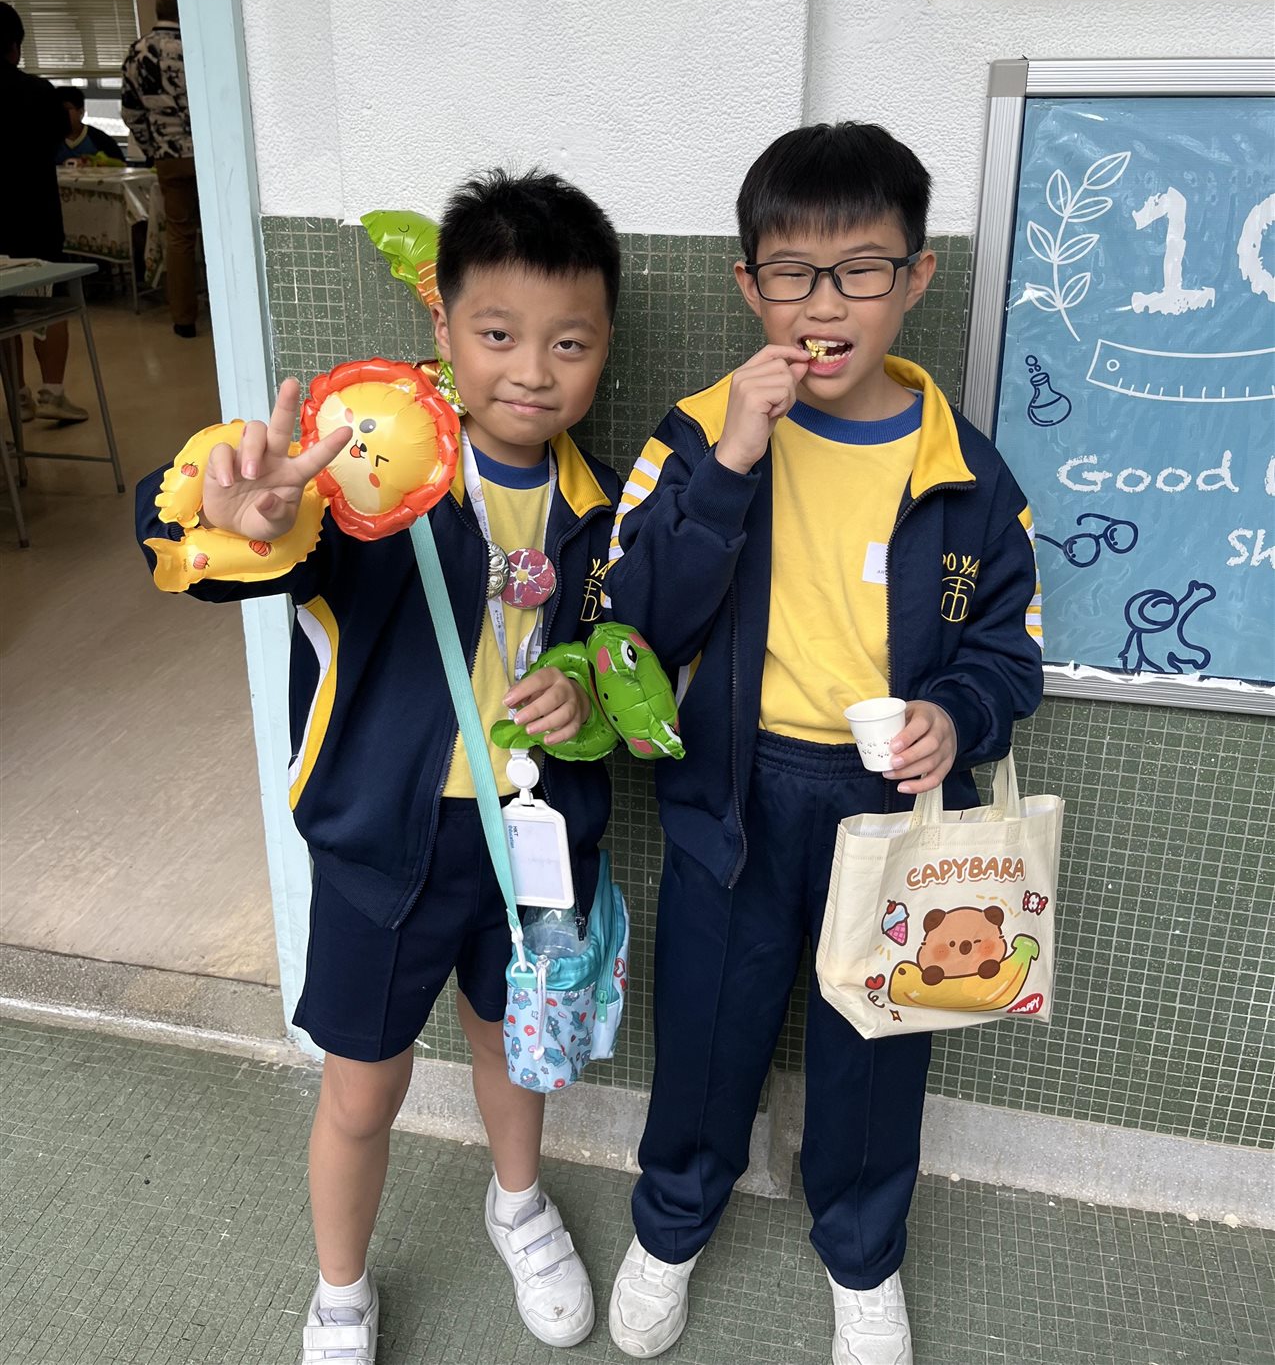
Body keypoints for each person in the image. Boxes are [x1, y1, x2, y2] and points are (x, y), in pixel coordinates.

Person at [136, 169, 622, 1363]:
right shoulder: (370, 476)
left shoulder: (596, 504)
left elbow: (624, 661)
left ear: (604, 345)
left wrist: (584, 695)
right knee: (362, 1087)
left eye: (570, 341)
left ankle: (518, 1202)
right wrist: (237, 518)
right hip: (381, 842)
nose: (534, 369)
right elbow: (230, 527)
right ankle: (341, 1288)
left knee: (513, 1040)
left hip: (528, 837)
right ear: (442, 324)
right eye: (498, 333)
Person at [604, 122, 1044, 1364]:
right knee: (706, 1030)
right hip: (732, 793)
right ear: (749, 283)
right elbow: (634, 624)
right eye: (794, 271)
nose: (826, 303)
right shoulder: (698, 432)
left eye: (861, 269)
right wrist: (734, 461)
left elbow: (1009, 649)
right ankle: (671, 1225)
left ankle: (862, 1256)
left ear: (916, 276)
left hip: (892, 808)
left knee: (876, 1046)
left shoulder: (967, 472)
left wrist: (956, 713)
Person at [0, 0, 88, 424]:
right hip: (36, 217)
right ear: (15, 47)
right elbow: (60, 138)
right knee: (51, 303)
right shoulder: (38, 92)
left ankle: (17, 395)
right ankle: (52, 391)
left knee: (3, 313)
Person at [121, 0, 201, 337]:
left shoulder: (137, 52)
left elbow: (130, 112)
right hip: (206, 157)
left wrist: (152, 147)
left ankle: (184, 319)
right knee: (221, 232)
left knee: (179, 236)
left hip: (167, 156)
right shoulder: (194, 47)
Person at [55, 87, 126, 166]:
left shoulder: (100, 139)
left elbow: (122, 165)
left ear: (81, 111)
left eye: (66, 109)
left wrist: (95, 162)